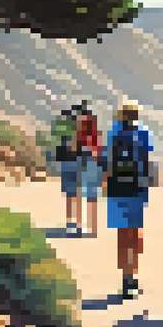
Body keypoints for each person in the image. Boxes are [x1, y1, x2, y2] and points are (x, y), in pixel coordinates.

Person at [105, 102, 155, 299]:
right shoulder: (144, 133)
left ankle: (125, 279)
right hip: (137, 189)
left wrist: (107, 186)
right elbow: (149, 162)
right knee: (135, 234)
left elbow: (107, 164)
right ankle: (133, 275)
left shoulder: (113, 133)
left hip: (117, 189)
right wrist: (150, 183)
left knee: (122, 235)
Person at [50, 102, 86, 235]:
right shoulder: (77, 128)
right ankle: (78, 224)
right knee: (77, 194)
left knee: (70, 196)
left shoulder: (64, 128)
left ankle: (71, 224)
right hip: (75, 163)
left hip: (67, 162)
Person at [75, 101, 104, 238]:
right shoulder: (95, 130)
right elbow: (99, 150)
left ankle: (80, 225)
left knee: (80, 194)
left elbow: (79, 144)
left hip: (85, 159)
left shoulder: (82, 127)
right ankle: (93, 228)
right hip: (93, 161)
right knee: (91, 197)